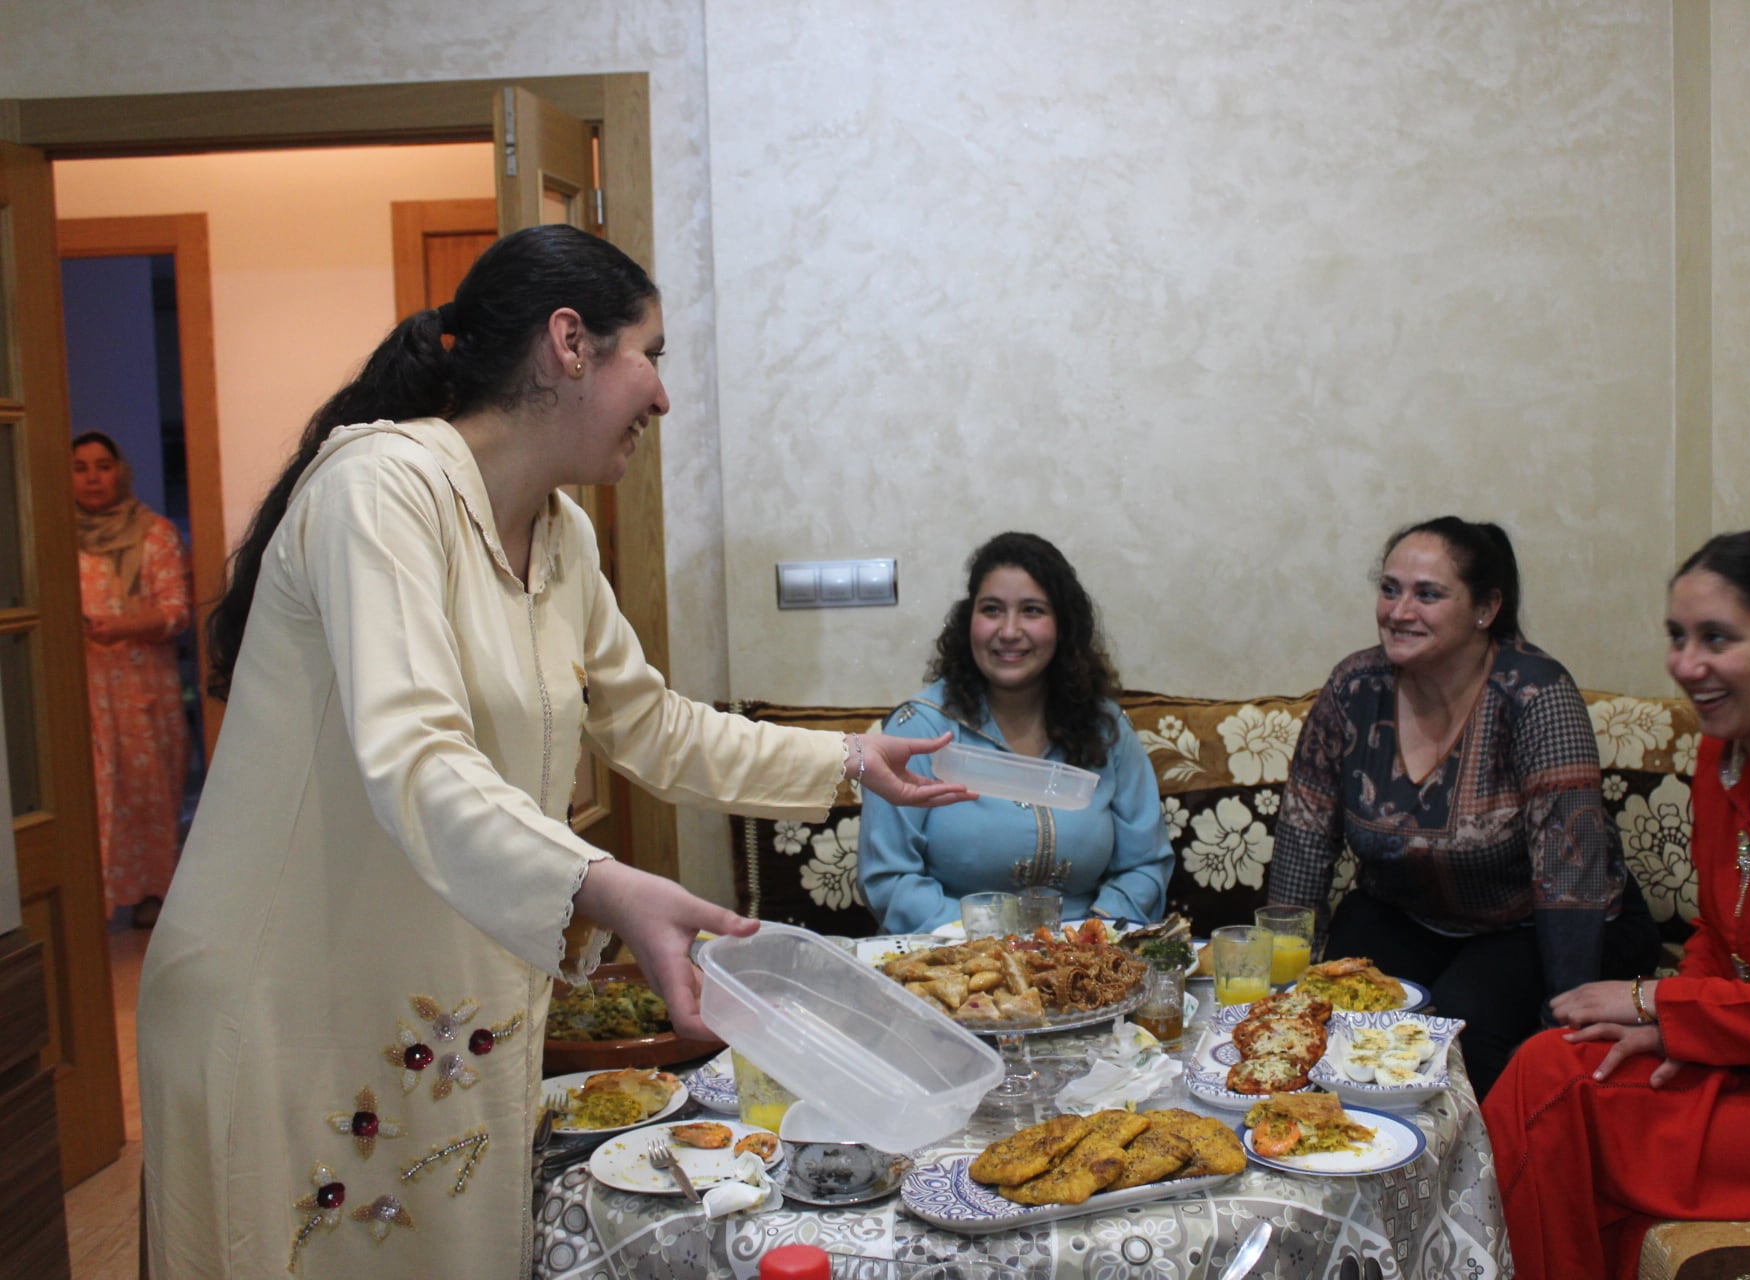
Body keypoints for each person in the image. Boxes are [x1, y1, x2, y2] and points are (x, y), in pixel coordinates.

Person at [136, 225, 969, 1280]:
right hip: (282, 1009)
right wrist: (603, 883)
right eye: (651, 355)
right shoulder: (380, 492)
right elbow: (417, 755)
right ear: (569, 343)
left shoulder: (559, 533)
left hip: (425, 994)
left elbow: (651, 723)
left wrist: (850, 757)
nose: (663, 397)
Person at [1486, 530, 1750, 1280]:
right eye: (1678, 637)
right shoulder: (1728, 750)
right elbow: (1720, 938)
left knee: (1553, 1105)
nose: (1687, 666)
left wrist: (1663, 1007)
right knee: (1554, 1065)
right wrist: (1674, 1026)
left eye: (1717, 639)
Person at [1266, 516, 1659, 1096]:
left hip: (1531, 923)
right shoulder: (1354, 688)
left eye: (1428, 594)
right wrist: (1281, 1000)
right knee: (1332, 1028)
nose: (1400, 611)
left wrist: (1563, 1025)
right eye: (1390, 588)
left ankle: (1480, 1183)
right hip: (1407, 912)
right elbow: (1304, 837)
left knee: (1461, 1032)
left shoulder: (1536, 694)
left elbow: (1569, 876)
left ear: (1485, 608)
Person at [859, 531, 1173, 933]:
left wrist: (1093, 937)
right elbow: (889, 879)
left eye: (1032, 611)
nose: (1009, 631)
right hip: (956, 963)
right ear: (967, 620)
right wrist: (994, 946)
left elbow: (1145, 865)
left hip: (1084, 961)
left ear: (1062, 625)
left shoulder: (1106, 729)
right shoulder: (920, 728)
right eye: (991, 610)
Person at [72, 430, 193, 928]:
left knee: (149, 792)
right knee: (91, 796)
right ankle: (88, 903)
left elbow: (177, 613)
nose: (93, 476)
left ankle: (151, 894)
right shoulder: (49, 535)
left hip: (143, 692)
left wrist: (118, 626)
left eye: (103, 465)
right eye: (80, 467)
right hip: (81, 691)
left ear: (120, 471)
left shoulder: (153, 533)